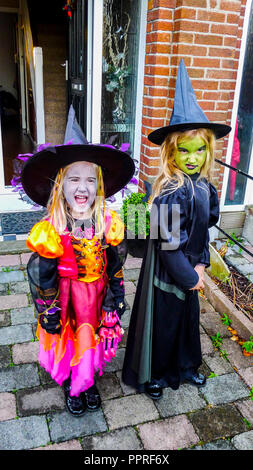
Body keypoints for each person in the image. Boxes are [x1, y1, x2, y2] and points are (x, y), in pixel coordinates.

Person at [122, 59, 231, 399]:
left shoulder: (204, 186)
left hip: (191, 266)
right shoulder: (169, 191)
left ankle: (185, 367)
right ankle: (154, 373)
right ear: (171, 152)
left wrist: (200, 262)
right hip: (169, 274)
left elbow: (206, 225)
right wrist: (189, 275)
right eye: (184, 150)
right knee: (165, 323)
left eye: (200, 150)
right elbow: (168, 243)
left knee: (186, 322)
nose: (193, 157)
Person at [21, 110, 135, 416]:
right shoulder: (53, 228)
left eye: (89, 180)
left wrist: (117, 297)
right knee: (70, 338)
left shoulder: (108, 222)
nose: (81, 188)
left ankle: (88, 380)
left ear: (98, 186)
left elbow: (114, 265)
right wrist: (48, 311)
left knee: (92, 336)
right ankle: (72, 381)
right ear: (60, 185)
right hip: (67, 297)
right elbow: (44, 275)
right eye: (74, 179)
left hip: (96, 296)